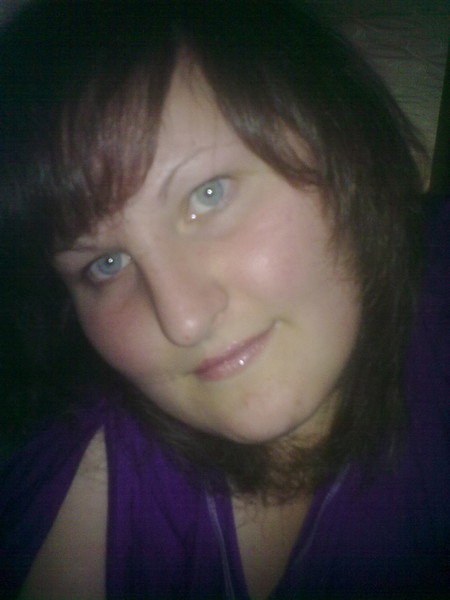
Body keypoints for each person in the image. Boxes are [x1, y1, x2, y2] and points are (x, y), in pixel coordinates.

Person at [0, 0, 448, 598]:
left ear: (338, 139)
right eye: (105, 264)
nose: (183, 320)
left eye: (207, 194)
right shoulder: (83, 493)